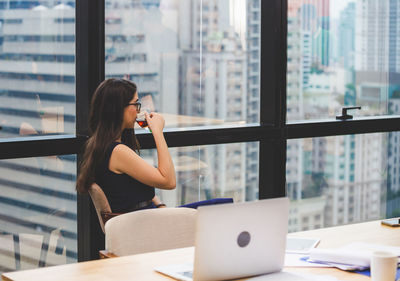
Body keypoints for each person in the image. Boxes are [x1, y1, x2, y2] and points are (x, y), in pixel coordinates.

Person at [76, 78, 176, 213]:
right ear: (118, 109)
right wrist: (157, 132)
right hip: (144, 224)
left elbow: (138, 188)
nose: (138, 110)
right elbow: (169, 181)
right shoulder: (118, 152)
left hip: (147, 218)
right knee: (210, 207)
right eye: (135, 104)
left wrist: (159, 205)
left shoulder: (101, 145)